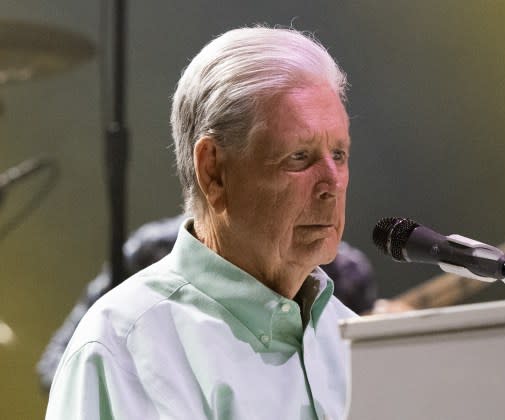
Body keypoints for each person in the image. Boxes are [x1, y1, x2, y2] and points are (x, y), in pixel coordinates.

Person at [46, 26, 359, 419]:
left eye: (340, 154)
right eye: (299, 156)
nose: (332, 183)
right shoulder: (124, 349)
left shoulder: (357, 342)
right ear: (214, 171)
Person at [37, 215, 376, 391]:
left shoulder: (345, 274)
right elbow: (57, 364)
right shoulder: (154, 250)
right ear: (213, 169)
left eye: (337, 154)